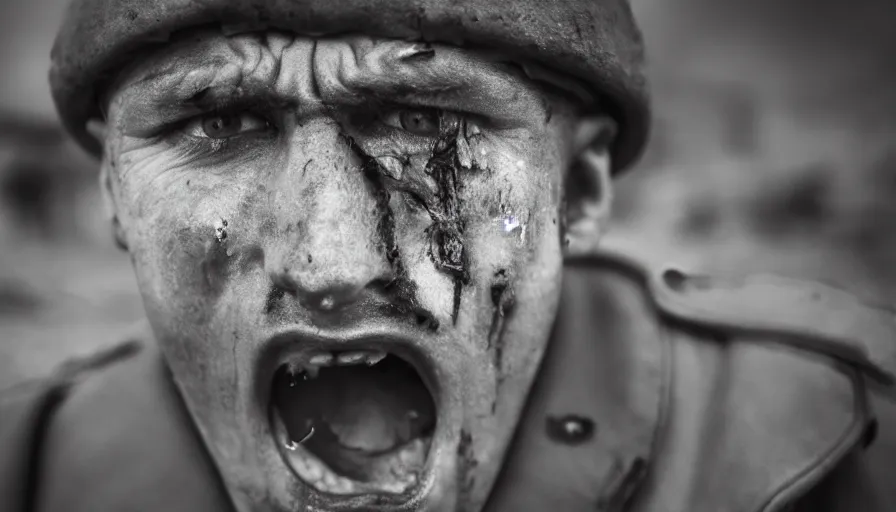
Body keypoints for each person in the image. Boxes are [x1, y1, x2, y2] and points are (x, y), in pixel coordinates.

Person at [2, 1, 894, 511]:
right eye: (218, 125)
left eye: (426, 121)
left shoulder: (847, 449)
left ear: (577, 194)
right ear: (113, 193)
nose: (331, 265)